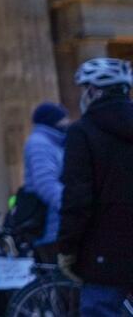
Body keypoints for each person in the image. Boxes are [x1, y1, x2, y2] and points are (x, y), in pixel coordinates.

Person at [57, 58, 133, 316]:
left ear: (94, 91)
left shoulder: (83, 132)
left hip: (106, 251)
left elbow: (77, 198)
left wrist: (67, 248)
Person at [22, 101, 68, 262]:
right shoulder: (39, 143)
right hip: (50, 224)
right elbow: (45, 183)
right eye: (63, 118)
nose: (67, 122)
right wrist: (70, 205)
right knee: (59, 276)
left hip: (56, 222)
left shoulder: (54, 141)